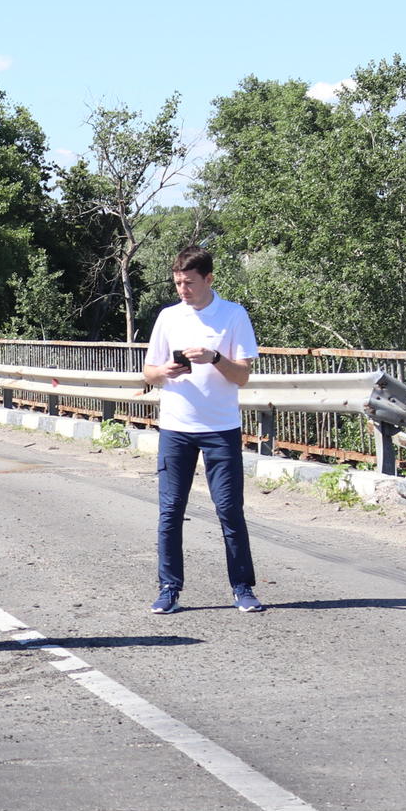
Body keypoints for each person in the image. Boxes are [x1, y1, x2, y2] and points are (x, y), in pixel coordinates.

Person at [141, 245, 264, 614]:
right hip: (175, 428)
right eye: (178, 283)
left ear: (209, 279)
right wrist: (164, 372)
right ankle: (169, 589)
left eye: (189, 283)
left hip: (220, 428)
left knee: (229, 509)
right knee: (170, 510)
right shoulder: (168, 317)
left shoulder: (233, 315)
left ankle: (243, 588)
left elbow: (242, 376)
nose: (183, 289)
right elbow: (148, 372)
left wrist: (215, 358)